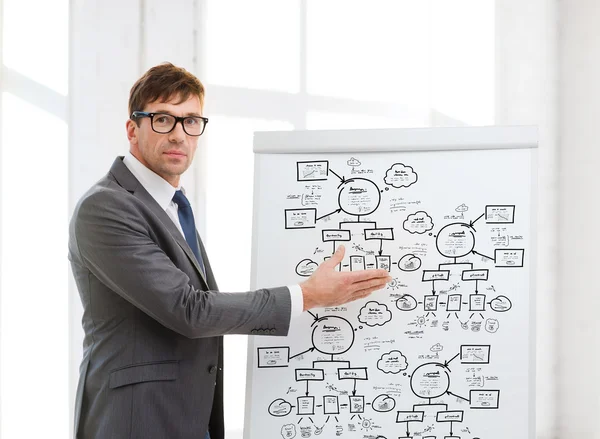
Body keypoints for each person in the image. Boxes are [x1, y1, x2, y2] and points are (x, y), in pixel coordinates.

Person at [68, 62, 391, 439]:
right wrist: (307, 295)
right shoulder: (107, 207)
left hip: (187, 415)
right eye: (162, 120)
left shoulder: (170, 204)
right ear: (132, 129)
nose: (178, 135)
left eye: (191, 121)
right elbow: (187, 309)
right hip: (136, 419)